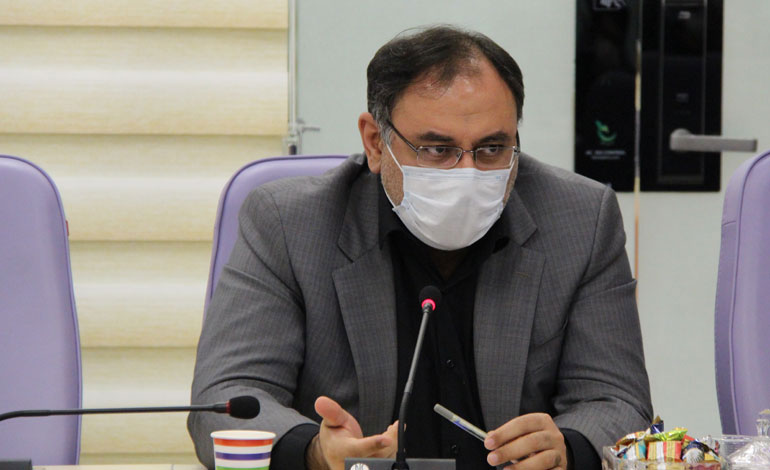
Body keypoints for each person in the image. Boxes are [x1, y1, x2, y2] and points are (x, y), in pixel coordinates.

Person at [188, 25, 652, 470]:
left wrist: (565, 449)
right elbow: (227, 398)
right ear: (376, 143)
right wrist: (313, 453)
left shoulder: (580, 220)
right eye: (437, 150)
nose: (467, 173)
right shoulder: (288, 223)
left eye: (492, 148)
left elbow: (618, 402)